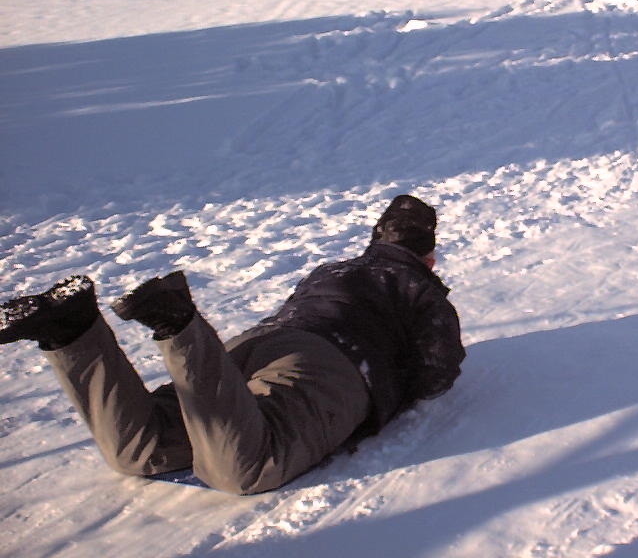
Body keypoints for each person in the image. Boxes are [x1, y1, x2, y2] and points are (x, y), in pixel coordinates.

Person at [0, 194, 465, 495]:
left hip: (261, 342)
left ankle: (72, 330)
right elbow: (436, 374)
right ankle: (179, 325)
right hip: (332, 362)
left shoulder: (333, 269)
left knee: (142, 449)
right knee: (248, 466)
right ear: (429, 256)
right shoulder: (420, 288)